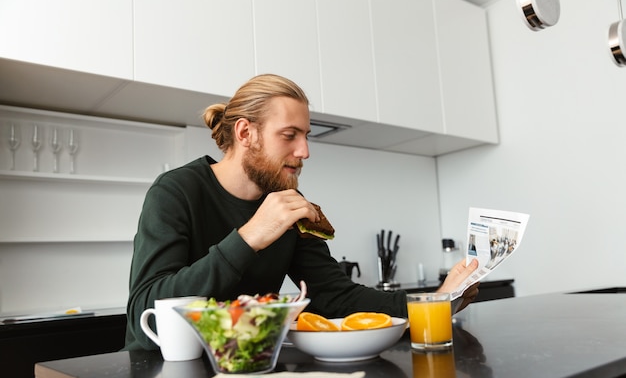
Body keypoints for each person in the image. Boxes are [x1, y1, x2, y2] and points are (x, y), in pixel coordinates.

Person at [123, 74, 480, 351]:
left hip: (248, 365)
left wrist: (435, 302)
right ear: (246, 132)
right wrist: (249, 237)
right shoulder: (175, 192)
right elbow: (144, 311)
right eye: (290, 135)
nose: (304, 150)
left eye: (306, 135)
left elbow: (337, 298)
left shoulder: (288, 201)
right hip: (160, 372)